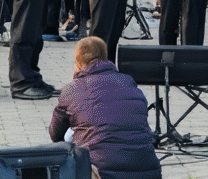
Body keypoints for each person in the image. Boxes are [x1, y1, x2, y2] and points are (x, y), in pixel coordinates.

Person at [49, 37, 160, 179]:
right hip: (149, 171)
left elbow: (55, 135)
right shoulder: (128, 81)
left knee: (69, 142)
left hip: (102, 173)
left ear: (77, 62)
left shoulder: (72, 89)